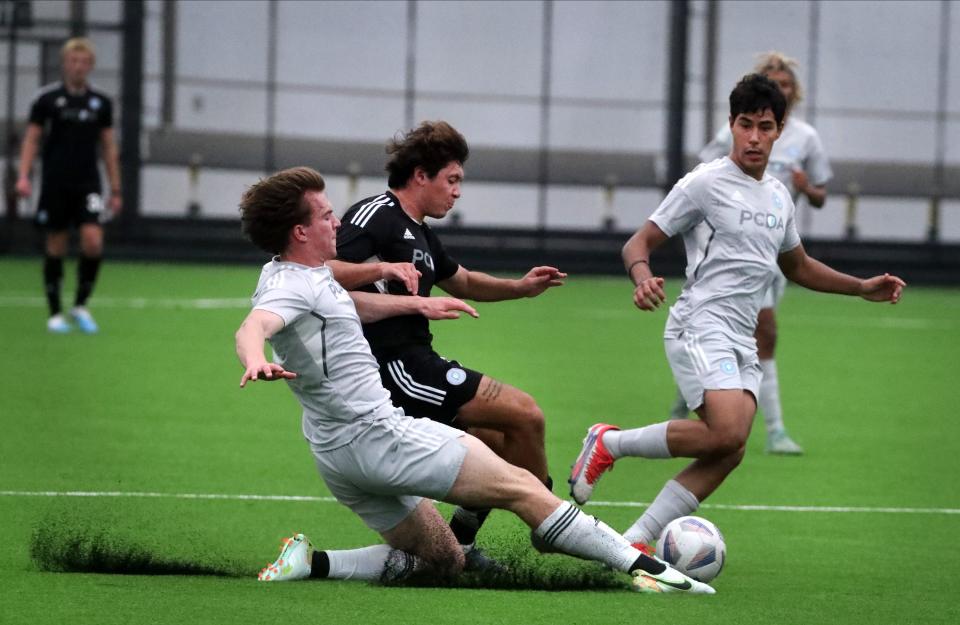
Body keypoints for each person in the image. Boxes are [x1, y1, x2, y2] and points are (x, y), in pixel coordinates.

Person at [234, 166, 713, 594]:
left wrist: (418, 304)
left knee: (442, 561)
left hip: (336, 454)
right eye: (325, 216)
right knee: (523, 487)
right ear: (300, 230)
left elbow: (343, 306)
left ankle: (311, 562)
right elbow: (254, 325)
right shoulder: (289, 285)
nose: (336, 222)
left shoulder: (300, 273)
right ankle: (649, 568)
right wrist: (255, 358)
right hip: (379, 436)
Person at [568, 74, 904, 550]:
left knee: (731, 448)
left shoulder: (778, 197)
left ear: (779, 130)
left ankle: (638, 540)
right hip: (698, 325)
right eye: (744, 124)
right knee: (725, 431)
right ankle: (608, 443)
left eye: (764, 126)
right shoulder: (704, 184)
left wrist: (861, 287)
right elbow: (637, 243)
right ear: (730, 125)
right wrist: (642, 277)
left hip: (741, 338)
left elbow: (799, 266)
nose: (753, 136)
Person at [328, 121, 565, 555]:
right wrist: (382, 270)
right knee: (526, 414)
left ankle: (460, 544)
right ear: (421, 175)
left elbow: (465, 281)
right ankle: (553, 522)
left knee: (495, 442)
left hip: (419, 358)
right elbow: (326, 269)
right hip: (394, 366)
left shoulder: (421, 232)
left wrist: (520, 287)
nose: (457, 192)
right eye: (451, 180)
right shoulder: (375, 214)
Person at [669, 51, 832, 455]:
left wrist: (806, 186)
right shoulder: (736, 134)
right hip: (730, 248)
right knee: (749, 330)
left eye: (786, 83)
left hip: (774, 247)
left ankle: (703, 400)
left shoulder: (805, 137)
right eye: (772, 80)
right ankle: (771, 428)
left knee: (748, 331)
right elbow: (702, 180)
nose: (755, 136)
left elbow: (820, 197)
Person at [15, 37, 121, 334]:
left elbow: (108, 147)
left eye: (84, 62)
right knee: (57, 245)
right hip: (55, 183)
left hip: (88, 184)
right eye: (73, 61)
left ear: (90, 66)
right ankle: (55, 313)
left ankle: (80, 305)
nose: (78, 67)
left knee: (93, 241)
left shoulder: (101, 103)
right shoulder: (46, 99)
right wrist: (23, 176)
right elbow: (32, 139)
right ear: (65, 64)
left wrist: (116, 189)